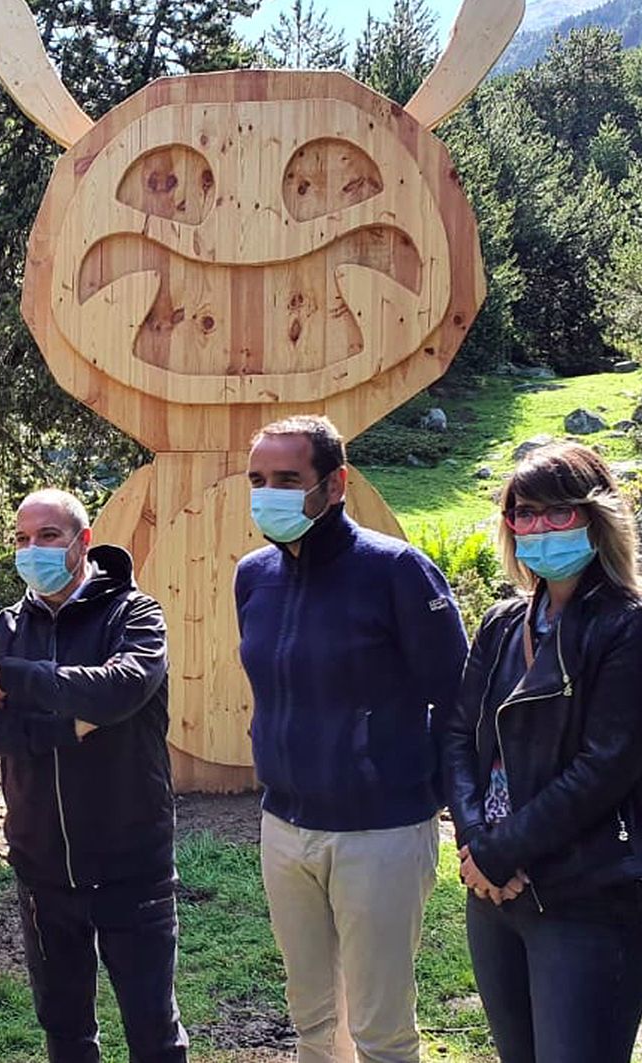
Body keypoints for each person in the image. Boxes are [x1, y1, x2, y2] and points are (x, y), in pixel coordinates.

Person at [441, 442, 642, 1063]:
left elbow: (605, 768)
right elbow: (458, 737)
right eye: (523, 513)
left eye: (558, 514)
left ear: (596, 519)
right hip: (495, 894)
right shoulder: (501, 624)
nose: (536, 528)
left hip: (586, 892)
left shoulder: (636, 627)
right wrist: (477, 845)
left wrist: (502, 851)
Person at [235, 415, 468, 1063]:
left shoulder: (398, 571)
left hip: (382, 833)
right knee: (313, 1022)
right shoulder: (253, 576)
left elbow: (458, 698)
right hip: (283, 827)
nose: (269, 494)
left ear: (334, 484)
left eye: (287, 479)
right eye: (257, 480)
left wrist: (454, 810)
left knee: (380, 1032)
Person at [0, 488, 189, 1063]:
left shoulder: (134, 613)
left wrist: (16, 679)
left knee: (153, 1036)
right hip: (42, 873)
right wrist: (62, 728)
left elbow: (119, 688)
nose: (32, 550)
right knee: (67, 1037)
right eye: (22, 539)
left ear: (82, 543)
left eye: (48, 537)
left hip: (132, 867)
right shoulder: (5, 626)